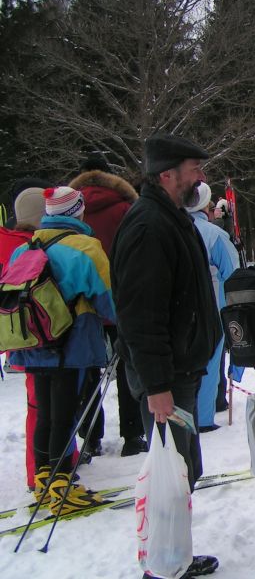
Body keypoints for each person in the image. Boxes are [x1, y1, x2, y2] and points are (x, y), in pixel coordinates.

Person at [111, 133, 222, 579]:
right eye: (195, 169)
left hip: (181, 373)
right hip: (167, 381)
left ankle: (173, 556)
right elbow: (141, 317)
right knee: (168, 480)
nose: (202, 176)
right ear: (167, 174)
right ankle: (160, 568)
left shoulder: (172, 217)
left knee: (181, 475)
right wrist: (157, 387)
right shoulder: (148, 226)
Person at [9, 186, 115, 514]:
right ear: (77, 212)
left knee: (45, 412)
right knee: (66, 414)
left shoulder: (25, 248)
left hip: (32, 343)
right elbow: (108, 301)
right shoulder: (85, 247)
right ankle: (62, 484)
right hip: (71, 344)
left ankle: (44, 479)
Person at [69, 154, 147, 458]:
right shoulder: (125, 207)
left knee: (87, 370)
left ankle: (90, 435)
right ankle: (132, 432)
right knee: (129, 364)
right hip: (121, 298)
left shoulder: (71, 211)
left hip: (81, 303)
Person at [184, 181, 240, 432]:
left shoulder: (166, 226)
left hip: (176, 308)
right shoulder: (213, 234)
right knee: (208, 360)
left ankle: (181, 415)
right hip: (209, 307)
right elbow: (233, 274)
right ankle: (203, 417)